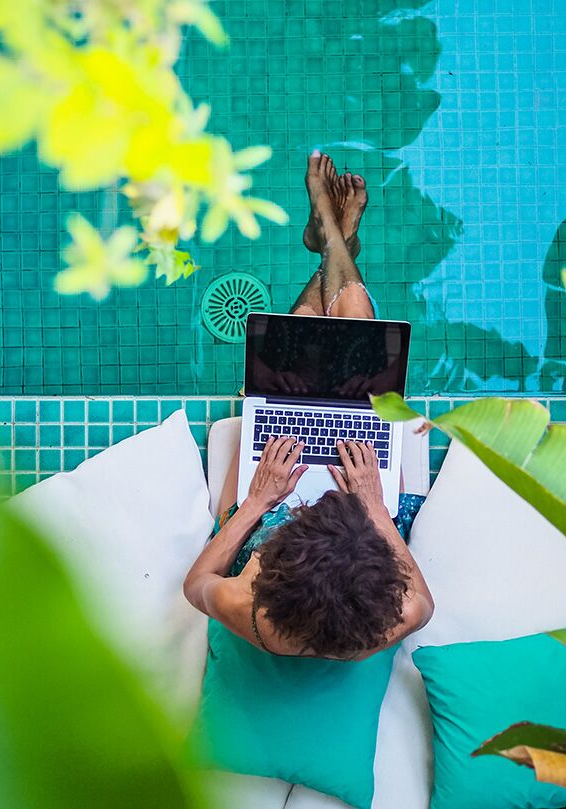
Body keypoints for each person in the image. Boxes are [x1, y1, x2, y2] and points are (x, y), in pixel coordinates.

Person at [183, 151, 434, 660]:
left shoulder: (252, 610)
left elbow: (196, 584)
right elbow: (423, 604)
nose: (310, 503)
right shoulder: (388, 618)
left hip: (273, 519)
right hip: (368, 518)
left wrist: (259, 502)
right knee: (356, 334)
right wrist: (371, 505)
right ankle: (333, 239)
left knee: (290, 374)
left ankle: (331, 236)